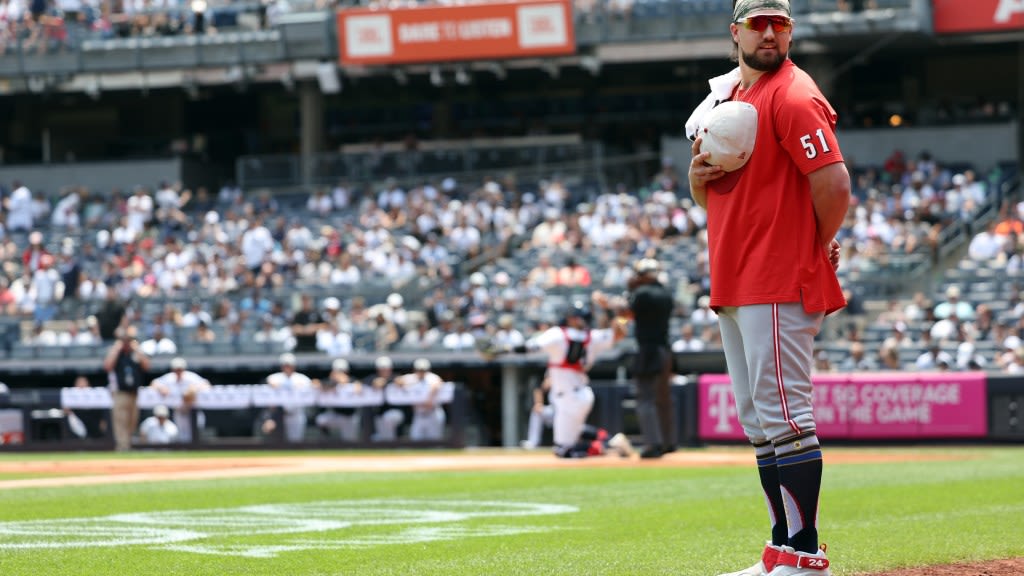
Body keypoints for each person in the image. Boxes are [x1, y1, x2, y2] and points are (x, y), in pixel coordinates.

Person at [686, 1, 850, 574]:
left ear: (791, 32)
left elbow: (834, 184)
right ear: (735, 32)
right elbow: (717, 196)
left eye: (779, 24)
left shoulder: (792, 94)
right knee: (760, 423)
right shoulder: (732, 95)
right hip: (737, 273)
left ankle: (804, 556)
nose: (769, 33)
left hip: (776, 276)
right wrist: (694, 180)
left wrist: (811, 244)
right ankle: (781, 549)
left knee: (786, 417)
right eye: (758, 24)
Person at [488, 299, 632, 458]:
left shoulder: (558, 334)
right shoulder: (594, 337)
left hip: (567, 396)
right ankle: (611, 440)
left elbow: (529, 347)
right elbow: (620, 333)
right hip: (581, 393)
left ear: (571, 318)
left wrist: (501, 350)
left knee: (563, 450)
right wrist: (610, 312)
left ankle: (608, 449)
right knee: (576, 431)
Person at [625, 258, 677, 458]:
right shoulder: (665, 293)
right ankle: (668, 442)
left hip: (648, 351)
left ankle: (653, 444)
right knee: (663, 399)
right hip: (665, 350)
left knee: (646, 398)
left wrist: (629, 293)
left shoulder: (641, 293)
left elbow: (627, 315)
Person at [102, 325, 152, 451]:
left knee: (132, 420)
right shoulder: (117, 352)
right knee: (120, 420)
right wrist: (117, 347)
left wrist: (137, 349)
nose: (127, 342)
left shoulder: (135, 352)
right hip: (120, 392)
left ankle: (128, 444)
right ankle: (122, 446)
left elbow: (147, 366)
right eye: (125, 340)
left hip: (134, 392)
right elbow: (107, 366)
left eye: (129, 339)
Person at [148, 357, 211, 443]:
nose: (178, 371)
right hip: (179, 411)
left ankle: (195, 453)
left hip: (193, 411)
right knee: (182, 436)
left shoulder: (190, 377)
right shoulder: (169, 378)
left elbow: (206, 384)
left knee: (195, 434)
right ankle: (185, 454)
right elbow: (154, 383)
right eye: (176, 369)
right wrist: (161, 388)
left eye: (180, 369)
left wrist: (195, 389)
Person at [261, 353, 319, 442]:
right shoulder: (274, 377)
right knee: (277, 441)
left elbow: (314, 385)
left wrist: (311, 384)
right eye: (285, 365)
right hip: (279, 415)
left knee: (295, 442)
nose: (287, 367)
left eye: (289, 365)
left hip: (296, 413)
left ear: (294, 366)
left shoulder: (301, 378)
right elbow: (267, 385)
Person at [394, 358, 447, 441]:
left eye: (424, 370)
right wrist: (408, 383)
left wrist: (429, 398)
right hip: (418, 414)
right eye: (419, 370)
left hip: (433, 413)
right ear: (415, 369)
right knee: (416, 440)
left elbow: (438, 383)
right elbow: (397, 381)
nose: (422, 372)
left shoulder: (432, 377)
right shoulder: (411, 378)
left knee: (435, 442)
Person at [315, 358, 363, 442]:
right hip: (335, 414)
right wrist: (332, 382)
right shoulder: (330, 382)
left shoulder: (353, 380)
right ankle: (327, 439)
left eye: (342, 371)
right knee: (321, 419)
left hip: (350, 416)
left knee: (350, 441)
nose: (340, 374)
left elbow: (359, 388)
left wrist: (345, 382)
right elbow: (318, 384)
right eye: (338, 371)